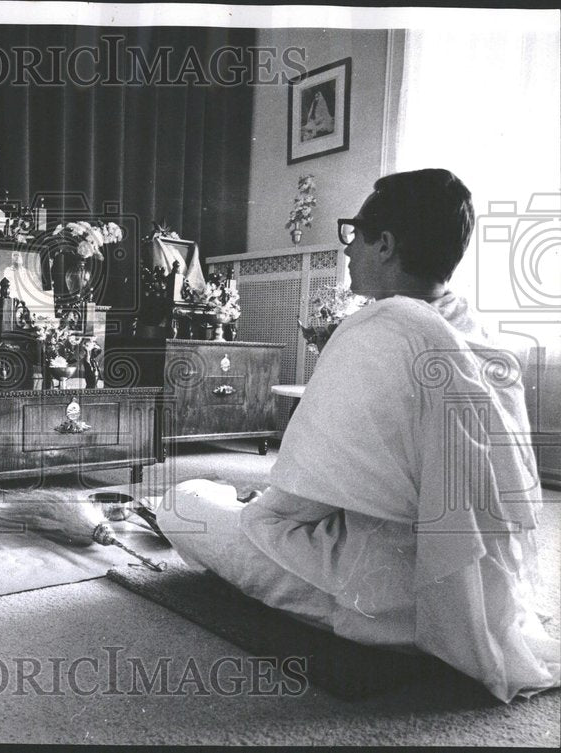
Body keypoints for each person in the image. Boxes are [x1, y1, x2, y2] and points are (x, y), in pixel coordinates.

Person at [156, 168, 560, 702]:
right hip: (483, 597)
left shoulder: (381, 332)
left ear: (386, 244)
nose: (347, 251)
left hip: (386, 605)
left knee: (184, 502)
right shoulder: (479, 336)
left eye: (354, 234)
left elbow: (288, 511)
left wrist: (255, 508)